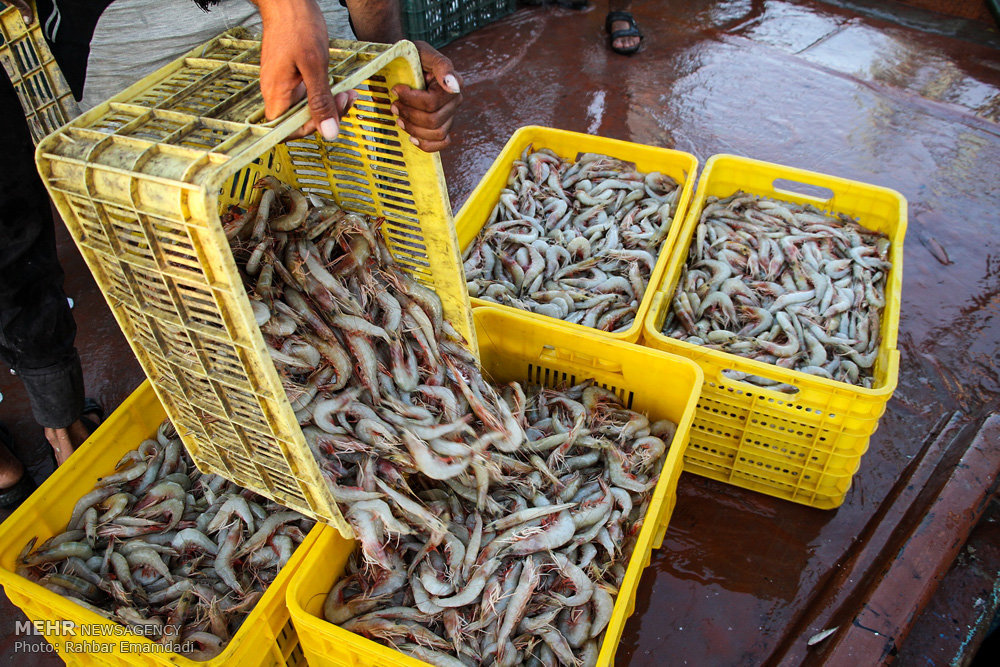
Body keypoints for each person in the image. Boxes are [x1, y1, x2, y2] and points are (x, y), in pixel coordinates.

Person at [0, 0, 461, 508]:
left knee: (250, 251)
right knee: (184, 264)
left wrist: (387, 64)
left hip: (274, 30)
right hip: (133, 33)